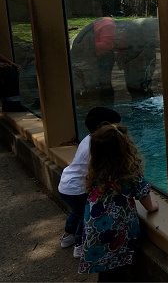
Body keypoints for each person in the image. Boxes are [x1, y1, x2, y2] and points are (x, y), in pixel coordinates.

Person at [78, 123, 159, 281]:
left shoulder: (94, 174)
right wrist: (155, 206)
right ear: (125, 149)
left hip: (94, 232)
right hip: (118, 236)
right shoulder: (130, 174)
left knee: (107, 275)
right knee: (120, 274)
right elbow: (148, 205)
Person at [58, 107, 121, 256]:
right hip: (77, 188)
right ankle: (80, 245)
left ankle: (68, 235)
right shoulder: (96, 146)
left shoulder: (88, 139)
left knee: (77, 211)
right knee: (85, 215)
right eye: (115, 127)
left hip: (66, 183)